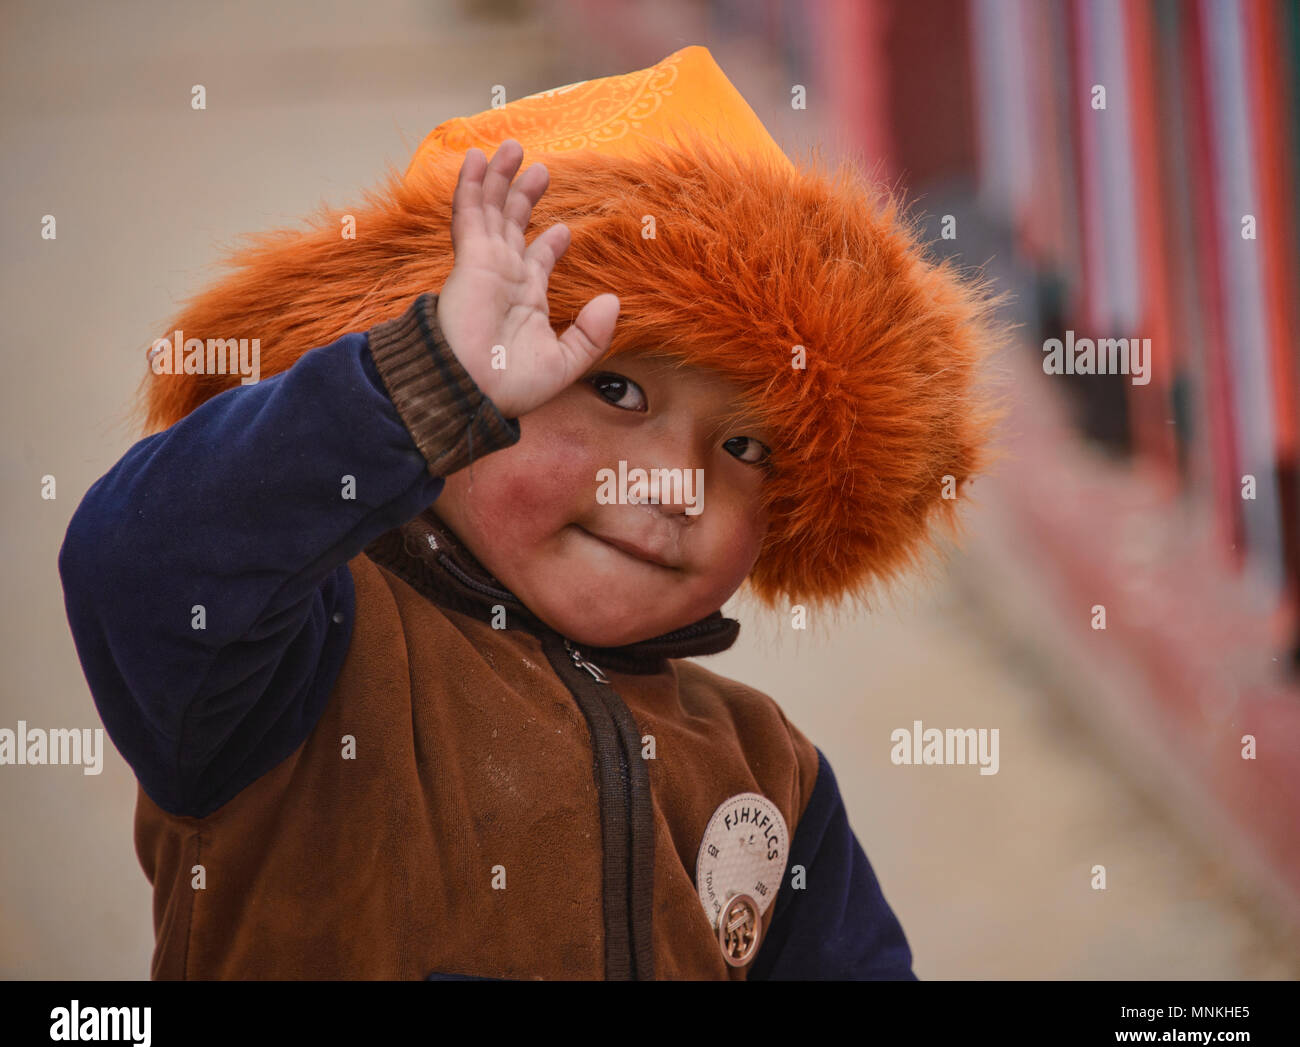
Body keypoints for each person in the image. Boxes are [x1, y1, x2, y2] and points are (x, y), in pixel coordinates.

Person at [58, 46, 1003, 980]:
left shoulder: (766, 772)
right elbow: (138, 569)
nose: (673, 484)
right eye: (617, 391)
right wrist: (415, 387)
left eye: (747, 448)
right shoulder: (306, 653)